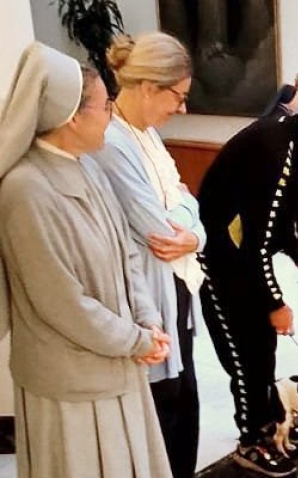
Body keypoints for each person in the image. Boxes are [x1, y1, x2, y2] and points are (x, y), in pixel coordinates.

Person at [0, 42, 172, 477]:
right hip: (69, 380)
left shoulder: (88, 166)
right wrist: (137, 341)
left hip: (117, 358)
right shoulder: (26, 189)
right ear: (70, 117)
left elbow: (126, 254)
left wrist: (147, 319)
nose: (111, 116)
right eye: (105, 106)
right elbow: (61, 303)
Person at [196, 96, 298, 477]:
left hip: (243, 256)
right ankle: (251, 439)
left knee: (263, 348)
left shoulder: (295, 143)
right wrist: (275, 302)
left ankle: (267, 424)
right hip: (222, 260)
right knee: (246, 355)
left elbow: (281, 217)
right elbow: (254, 242)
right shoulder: (274, 151)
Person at [89, 32, 204, 477]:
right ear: (149, 87)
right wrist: (187, 214)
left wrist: (194, 232)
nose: (182, 108)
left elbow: (187, 206)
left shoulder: (148, 135)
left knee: (185, 403)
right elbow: (158, 227)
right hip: (151, 295)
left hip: (178, 282)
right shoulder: (113, 143)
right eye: (178, 96)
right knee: (166, 410)